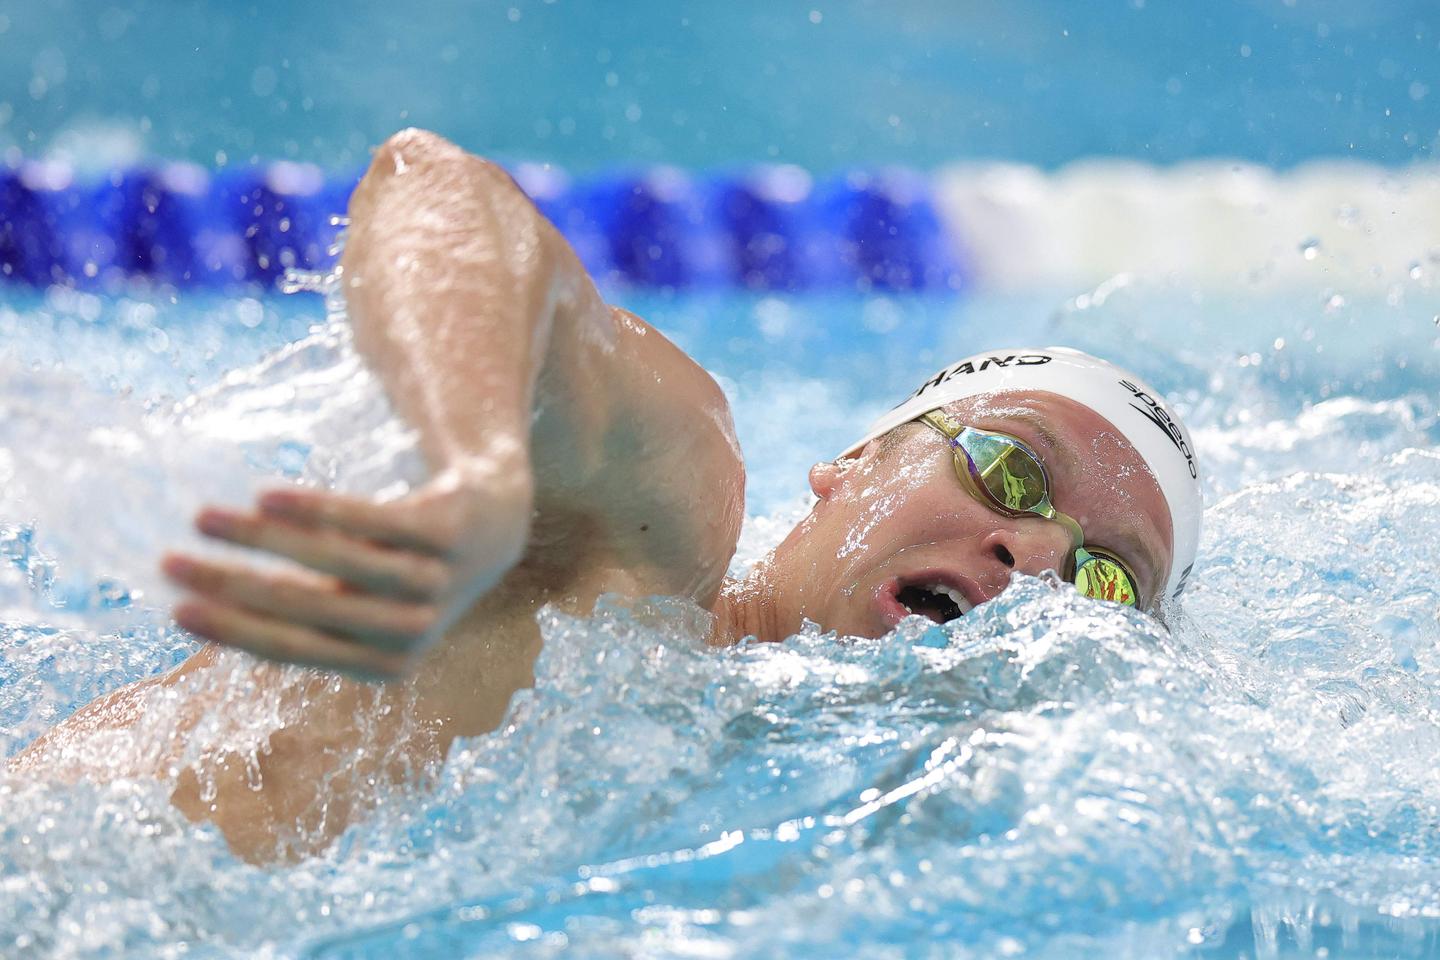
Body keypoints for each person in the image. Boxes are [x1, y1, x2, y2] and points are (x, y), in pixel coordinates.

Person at [8, 130, 1202, 862]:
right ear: (850, 465)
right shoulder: (657, 533)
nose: (1037, 557)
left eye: (1106, 580)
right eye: (1009, 468)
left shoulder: (866, 838)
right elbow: (436, 190)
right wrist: (480, 466)